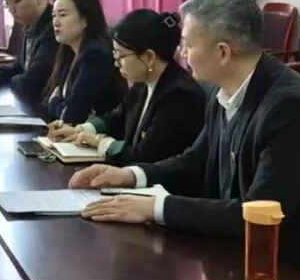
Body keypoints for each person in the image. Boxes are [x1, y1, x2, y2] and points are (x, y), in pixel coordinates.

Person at [72, 0, 300, 280]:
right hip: (253, 263)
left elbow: (256, 214)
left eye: (188, 44)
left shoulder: (291, 108)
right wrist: (132, 175)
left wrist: (154, 207)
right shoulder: (224, 92)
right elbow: (196, 161)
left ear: (222, 52)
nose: (181, 53)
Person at [48, 9, 206, 166]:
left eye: (121, 56)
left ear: (149, 57)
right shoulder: (142, 84)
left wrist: (99, 142)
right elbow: (117, 117)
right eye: (115, 55)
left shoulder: (179, 96)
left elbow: (145, 156)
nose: (116, 63)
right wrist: (81, 130)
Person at [40, 0, 122, 125]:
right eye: (54, 16)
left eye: (63, 15)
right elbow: (47, 98)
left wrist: (55, 102)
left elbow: (72, 116)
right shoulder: (69, 51)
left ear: (85, 19)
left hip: (97, 134)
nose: (56, 22)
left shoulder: (96, 56)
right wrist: (57, 103)